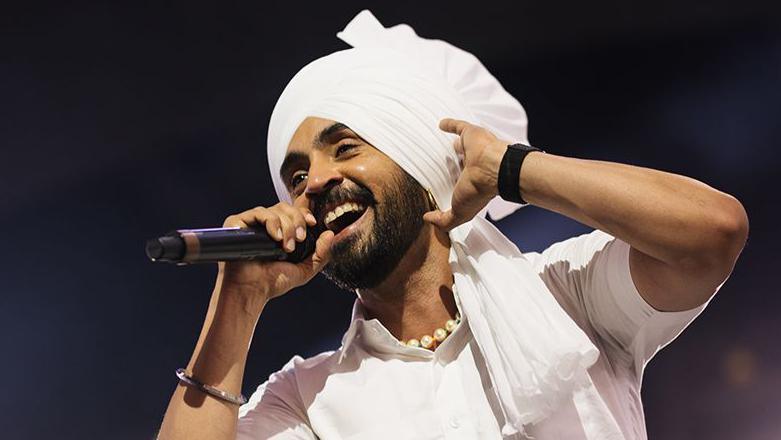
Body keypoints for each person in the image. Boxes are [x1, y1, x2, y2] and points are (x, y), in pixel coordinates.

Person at [157, 10, 748, 440]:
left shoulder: (568, 295)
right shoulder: (309, 401)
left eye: (344, 148)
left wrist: (513, 169)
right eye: (295, 175)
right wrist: (237, 303)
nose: (312, 182)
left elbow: (712, 233)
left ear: (417, 153)